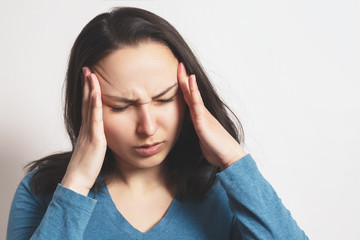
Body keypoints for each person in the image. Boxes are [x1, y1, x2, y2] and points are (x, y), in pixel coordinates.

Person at [7, 7, 308, 240]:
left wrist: (233, 159)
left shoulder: (223, 190)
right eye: (121, 106)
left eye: (164, 99)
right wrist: (76, 185)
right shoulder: (42, 191)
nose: (148, 127)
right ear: (86, 106)